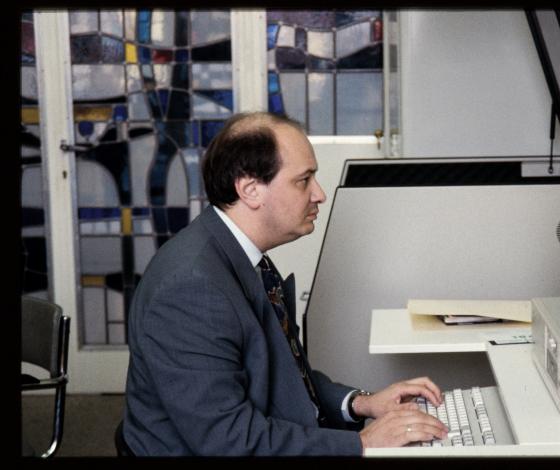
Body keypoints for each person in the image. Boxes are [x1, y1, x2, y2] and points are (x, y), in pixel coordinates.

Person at [122, 111, 448, 456]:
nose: (319, 194)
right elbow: (228, 441)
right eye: (303, 180)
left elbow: (284, 375)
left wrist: (360, 404)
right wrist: (362, 442)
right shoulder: (191, 289)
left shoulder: (240, 254)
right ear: (250, 190)